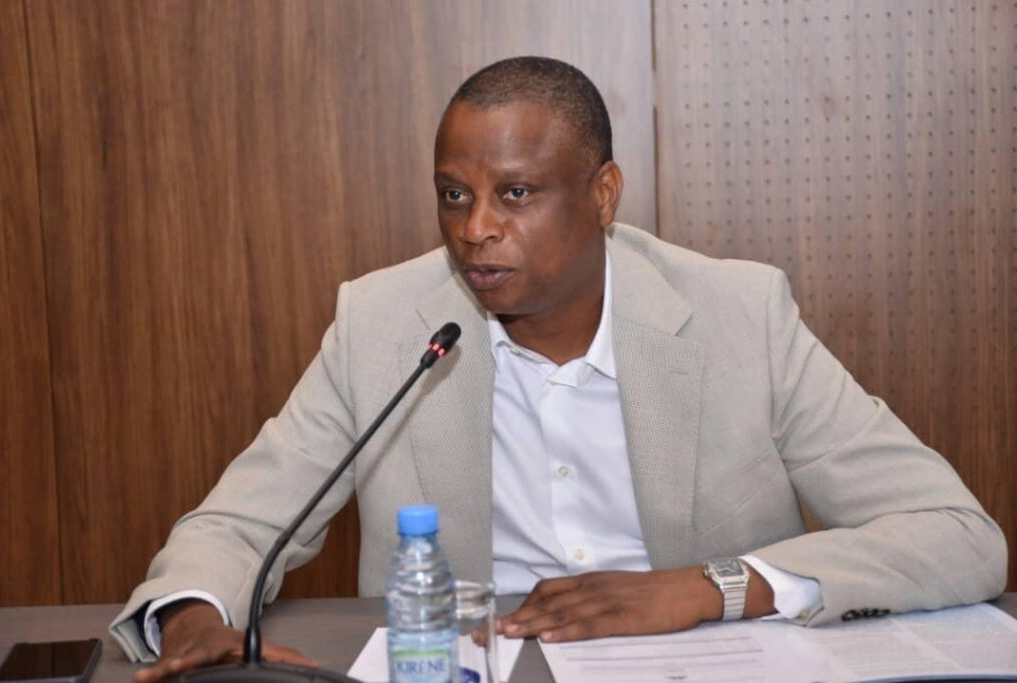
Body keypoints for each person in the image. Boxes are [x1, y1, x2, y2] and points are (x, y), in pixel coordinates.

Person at [111, 57, 1007, 681]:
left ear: (603, 194)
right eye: (455, 195)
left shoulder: (739, 315)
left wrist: (710, 587)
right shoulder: (384, 324)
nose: (475, 229)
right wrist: (193, 619)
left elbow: (957, 534)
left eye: (516, 193)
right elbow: (239, 524)